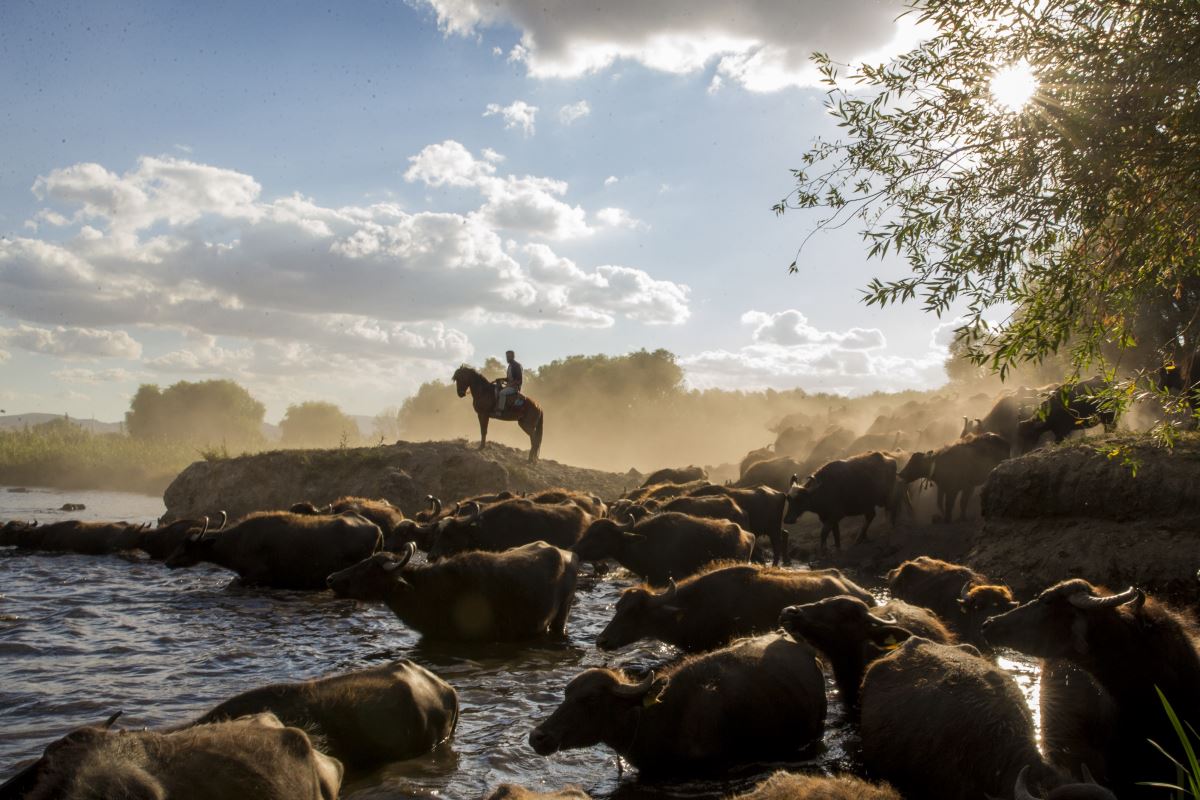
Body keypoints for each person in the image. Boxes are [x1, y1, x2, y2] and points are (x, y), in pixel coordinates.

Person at [495, 350, 523, 414]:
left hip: (515, 388)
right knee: (496, 389)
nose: (507, 358)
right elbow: (509, 378)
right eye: (506, 357)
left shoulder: (517, 366)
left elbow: (519, 380)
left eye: (508, 357)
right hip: (509, 386)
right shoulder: (510, 366)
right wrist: (500, 379)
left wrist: (510, 384)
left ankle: (500, 410)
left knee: (502, 393)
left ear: (513, 356)